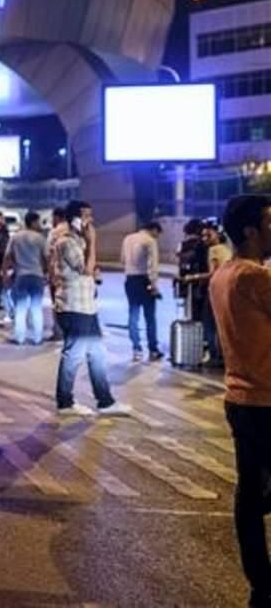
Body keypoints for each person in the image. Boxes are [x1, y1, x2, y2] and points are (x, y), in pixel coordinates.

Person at [209, 194, 271, 608]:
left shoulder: (222, 274)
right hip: (267, 400)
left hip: (241, 398)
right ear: (251, 230)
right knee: (253, 495)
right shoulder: (254, 277)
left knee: (251, 496)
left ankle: (261, 584)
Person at [50, 200, 132, 418]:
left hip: (86, 306)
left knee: (97, 353)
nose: (90, 220)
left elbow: (90, 269)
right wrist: (93, 242)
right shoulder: (66, 242)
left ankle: (105, 401)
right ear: (74, 218)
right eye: (86, 215)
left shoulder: (78, 241)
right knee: (73, 354)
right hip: (73, 306)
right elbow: (85, 269)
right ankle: (65, 401)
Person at [121, 220, 163, 362]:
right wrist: (154, 286)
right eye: (158, 234)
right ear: (154, 230)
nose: (157, 237)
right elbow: (153, 266)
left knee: (133, 314)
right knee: (150, 317)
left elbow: (122, 259)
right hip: (144, 280)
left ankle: (136, 349)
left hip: (130, 279)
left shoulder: (127, 238)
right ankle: (153, 350)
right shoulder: (150, 241)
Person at [4, 211, 48, 346]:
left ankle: (19, 337)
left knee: (21, 307)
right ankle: (37, 337)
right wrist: (47, 273)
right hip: (37, 275)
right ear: (33, 222)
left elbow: (7, 256)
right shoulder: (40, 238)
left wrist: (5, 273)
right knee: (36, 306)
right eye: (38, 221)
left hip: (21, 275)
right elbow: (46, 257)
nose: (40, 224)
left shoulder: (15, 237)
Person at [201, 222, 234, 369]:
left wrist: (193, 277)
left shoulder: (213, 250)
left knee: (209, 323)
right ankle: (224, 356)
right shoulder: (227, 249)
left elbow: (213, 272)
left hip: (215, 289)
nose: (205, 238)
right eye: (203, 235)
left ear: (217, 234)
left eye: (208, 235)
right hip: (226, 290)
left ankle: (214, 356)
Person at [46, 207, 68, 342]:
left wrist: (49, 274)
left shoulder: (54, 232)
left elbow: (49, 255)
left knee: (58, 303)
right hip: (73, 274)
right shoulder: (74, 230)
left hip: (58, 273)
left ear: (57, 217)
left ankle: (58, 332)